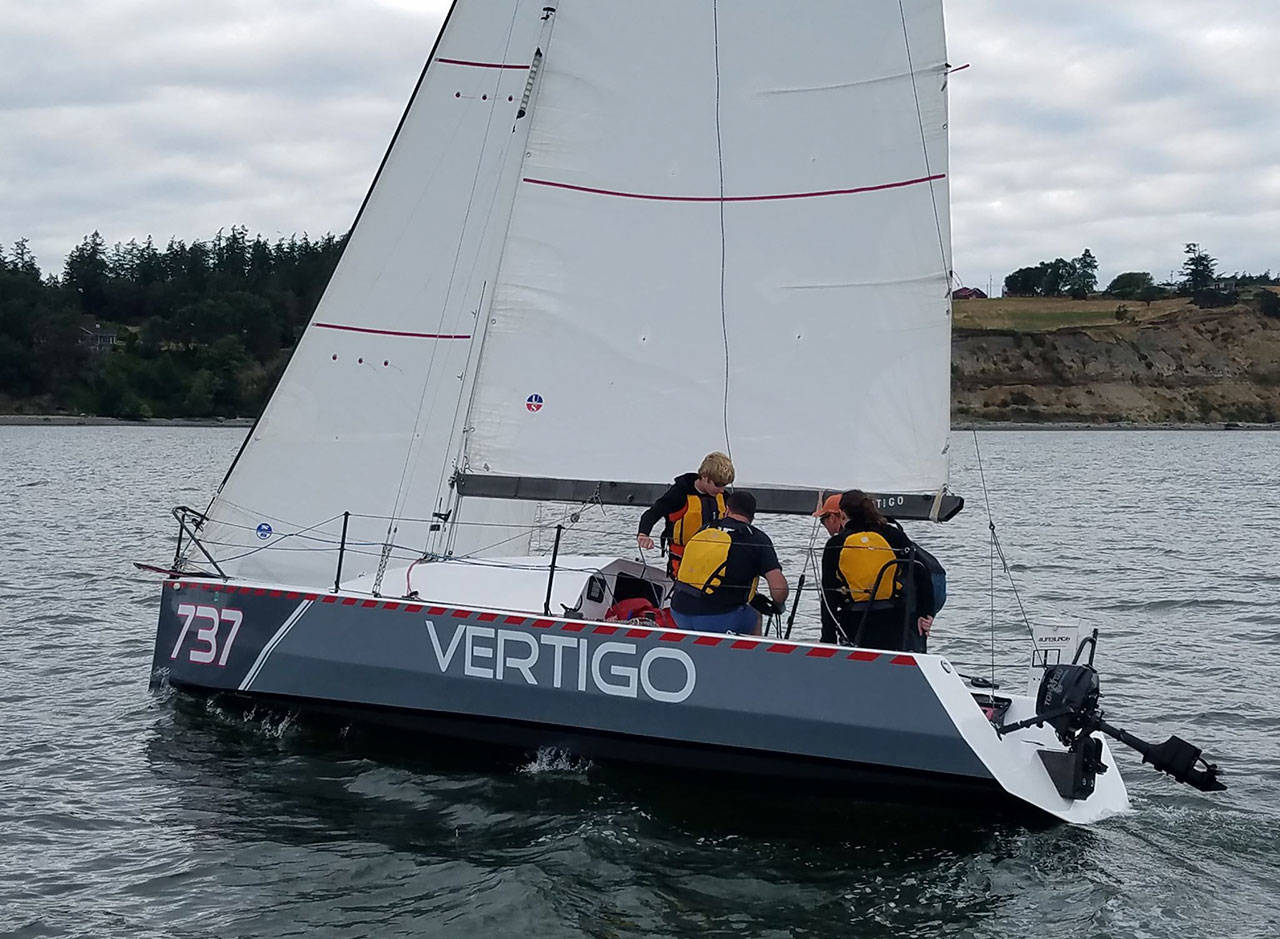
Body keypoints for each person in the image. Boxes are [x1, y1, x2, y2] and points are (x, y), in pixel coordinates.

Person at [820, 489, 935, 652]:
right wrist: (926, 613)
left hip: (854, 621)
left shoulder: (836, 543)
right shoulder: (893, 535)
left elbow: (828, 594)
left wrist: (828, 638)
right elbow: (922, 572)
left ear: (843, 514)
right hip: (894, 620)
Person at [669, 491, 788, 635]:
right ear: (752, 516)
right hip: (718, 619)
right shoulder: (756, 539)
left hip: (678, 612)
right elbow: (779, 590)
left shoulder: (705, 529)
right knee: (755, 614)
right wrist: (778, 605)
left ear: (727, 509)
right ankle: (749, 650)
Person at [636, 451, 734, 578]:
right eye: (718, 485)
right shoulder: (679, 493)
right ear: (705, 477)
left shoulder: (724, 497)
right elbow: (653, 513)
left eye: (724, 486)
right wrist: (643, 534)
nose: (721, 490)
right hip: (683, 563)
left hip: (713, 563)